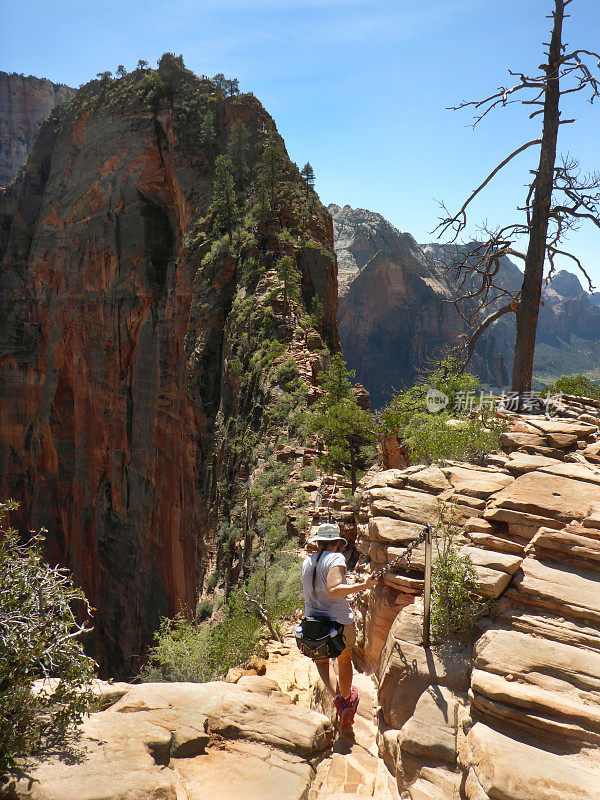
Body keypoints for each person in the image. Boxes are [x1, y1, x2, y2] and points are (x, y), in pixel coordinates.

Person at [301, 522, 378, 730]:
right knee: (344, 660)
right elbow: (334, 589)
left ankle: (338, 699)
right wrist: (365, 585)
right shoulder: (336, 557)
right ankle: (346, 700)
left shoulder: (308, 561)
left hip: (312, 622)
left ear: (318, 543)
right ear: (336, 542)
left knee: (322, 661)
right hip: (338, 621)